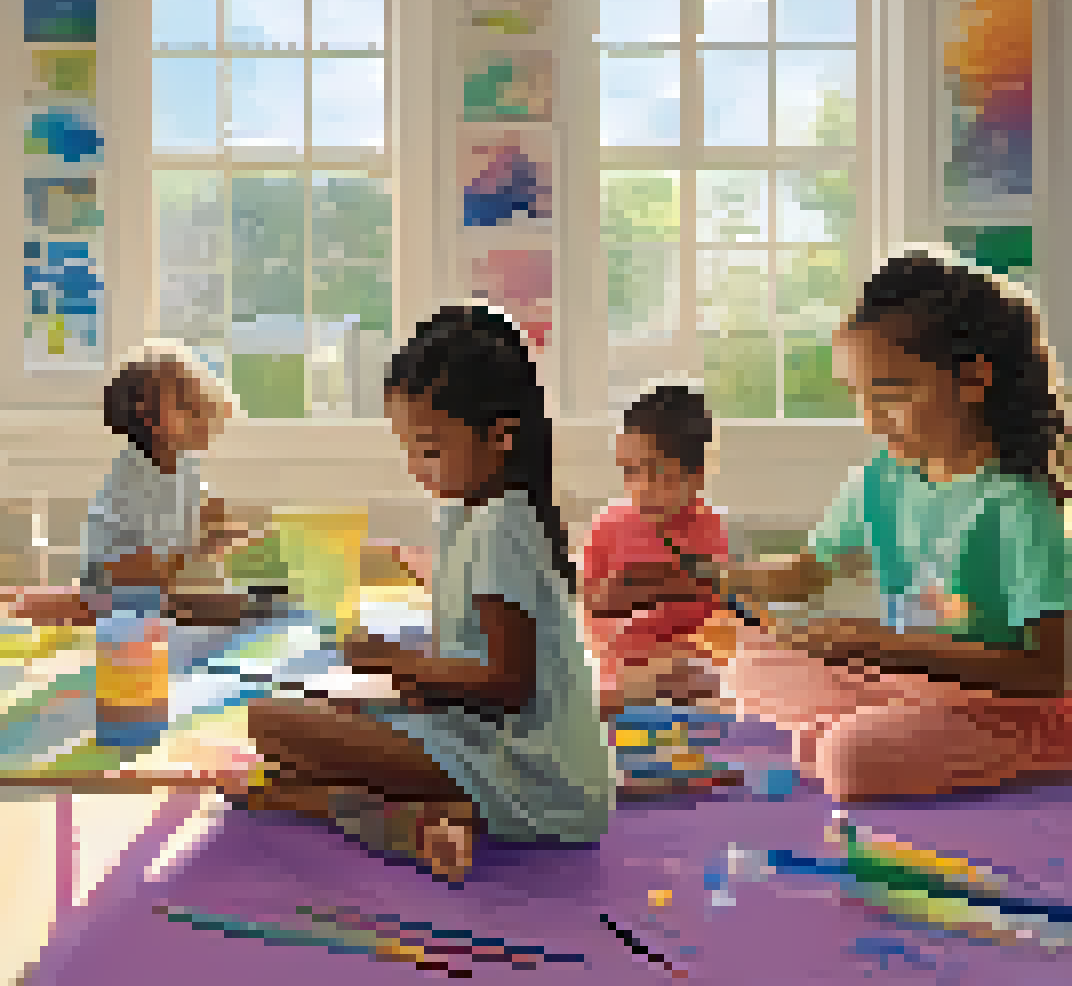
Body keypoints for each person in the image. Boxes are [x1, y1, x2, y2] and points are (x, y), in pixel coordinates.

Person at [239, 306, 611, 884]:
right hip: (482, 739)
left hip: (533, 774)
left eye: (431, 450)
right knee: (294, 734)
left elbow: (507, 685)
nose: (417, 467)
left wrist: (391, 663)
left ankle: (409, 816)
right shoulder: (466, 514)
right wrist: (403, 685)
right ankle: (423, 815)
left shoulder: (502, 526)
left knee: (269, 724)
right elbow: (467, 661)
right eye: (410, 449)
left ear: (501, 437)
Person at [718, 250, 1071, 801]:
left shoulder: (1016, 503)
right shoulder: (880, 478)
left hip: (998, 705)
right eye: (861, 397)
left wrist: (880, 643)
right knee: (749, 667)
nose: (871, 420)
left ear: (973, 380)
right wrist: (725, 578)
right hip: (900, 680)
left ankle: (1036, 747)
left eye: (892, 393)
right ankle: (868, 725)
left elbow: (1051, 672)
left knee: (849, 758)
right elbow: (807, 575)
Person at [33, 341, 254, 627]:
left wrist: (212, 521)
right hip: (120, 597)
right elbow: (142, 565)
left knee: (242, 607)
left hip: (158, 589)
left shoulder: (182, 462)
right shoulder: (134, 478)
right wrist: (199, 547)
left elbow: (194, 512)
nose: (205, 416)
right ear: (149, 420)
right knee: (223, 611)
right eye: (189, 407)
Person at [580, 384, 736, 713]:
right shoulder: (607, 526)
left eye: (656, 472)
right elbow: (590, 611)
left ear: (696, 475)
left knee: (725, 684)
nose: (640, 488)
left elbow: (716, 611)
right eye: (630, 472)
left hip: (690, 662)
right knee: (592, 698)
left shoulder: (709, 528)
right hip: (624, 666)